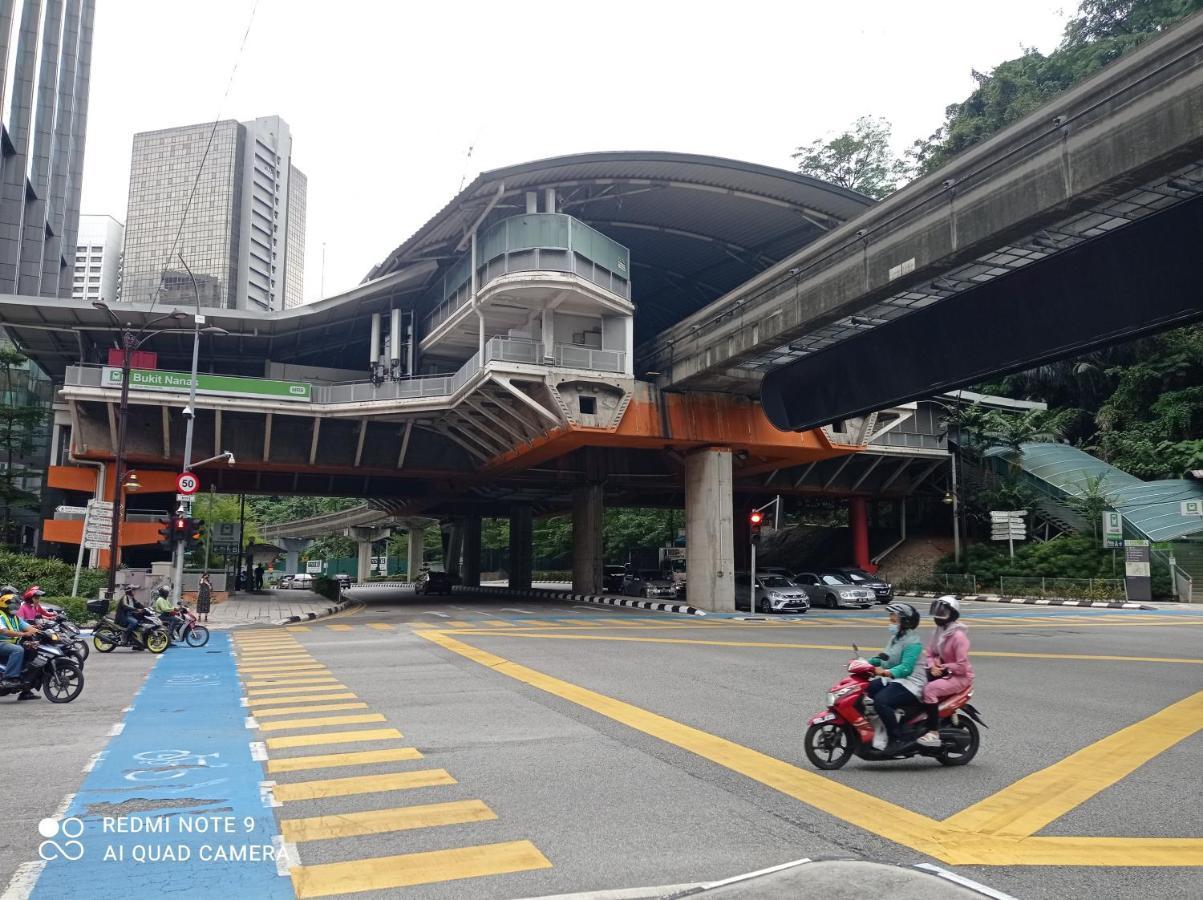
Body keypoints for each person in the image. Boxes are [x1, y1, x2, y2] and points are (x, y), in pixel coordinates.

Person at [865, 601, 927, 754]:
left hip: (911, 683)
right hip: (896, 679)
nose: (890, 623)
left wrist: (887, 672)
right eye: (891, 620)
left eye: (894, 621)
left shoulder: (913, 643)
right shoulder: (897, 639)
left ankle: (896, 739)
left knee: (881, 702)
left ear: (904, 622)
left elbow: (906, 667)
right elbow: (885, 658)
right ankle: (877, 729)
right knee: (867, 689)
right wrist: (865, 663)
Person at [917, 596, 975, 748]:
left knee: (929, 690)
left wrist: (943, 666)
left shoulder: (958, 636)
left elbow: (961, 666)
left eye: (942, 612)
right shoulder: (938, 632)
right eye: (936, 611)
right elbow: (930, 654)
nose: (938, 615)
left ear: (953, 614)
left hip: (960, 677)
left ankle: (933, 731)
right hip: (942, 672)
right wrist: (933, 666)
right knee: (916, 683)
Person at [0, 587, 40, 699]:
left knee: (32, 651)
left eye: (16, 605)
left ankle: (26, 690)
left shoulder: (14, 617)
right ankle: (9, 678)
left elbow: (27, 627)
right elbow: (3, 631)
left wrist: (38, 630)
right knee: (18, 650)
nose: (15, 607)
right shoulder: (0, 616)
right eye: (12, 605)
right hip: (2, 643)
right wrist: (22, 634)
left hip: (12, 644)